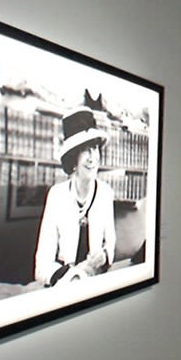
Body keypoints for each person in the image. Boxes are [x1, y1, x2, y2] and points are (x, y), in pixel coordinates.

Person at [34, 106, 116, 286]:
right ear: (73, 158)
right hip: (64, 283)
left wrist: (103, 256)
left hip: (96, 282)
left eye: (95, 148)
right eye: (85, 150)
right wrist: (71, 275)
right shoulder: (56, 196)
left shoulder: (105, 193)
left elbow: (110, 244)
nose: (92, 158)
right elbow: (41, 265)